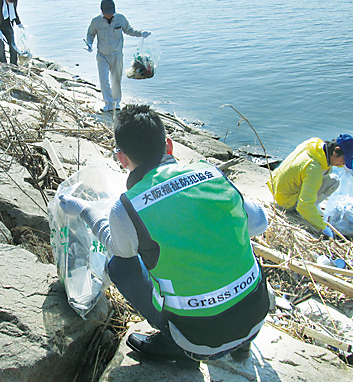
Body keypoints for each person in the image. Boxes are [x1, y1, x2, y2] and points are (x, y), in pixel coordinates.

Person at [58, 104, 269, 361]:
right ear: (168, 145)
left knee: (119, 265)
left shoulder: (127, 207)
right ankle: (242, 342)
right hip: (257, 314)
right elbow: (260, 221)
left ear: (122, 158)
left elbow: (116, 248)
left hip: (198, 341)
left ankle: (175, 344)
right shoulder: (211, 174)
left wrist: (84, 209)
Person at [267, 134, 353, 238]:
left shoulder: (313, 144)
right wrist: (323, 227)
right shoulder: (313, 169)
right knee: (334, 181)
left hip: (276, 186)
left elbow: (323, 164)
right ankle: (309, 211)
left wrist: (344, 166)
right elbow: (304, 206)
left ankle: (312, 207)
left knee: (325, 171)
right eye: (344, 160)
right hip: (286, 201)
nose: (343, 164)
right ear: (336, 151)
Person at [85, 0, 151, 112]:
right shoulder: (96, 21)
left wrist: (141, 34)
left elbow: (129, 30)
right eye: (107, 13)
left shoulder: (120, 19)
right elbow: (90, 34)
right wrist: (89, 44)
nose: (109, 15)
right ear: (102, 11)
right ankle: (108, 104)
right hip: (102, 55)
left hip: (117, 55)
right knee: (104, 80)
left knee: (116, 79)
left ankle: (116, 102)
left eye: (111, 12)